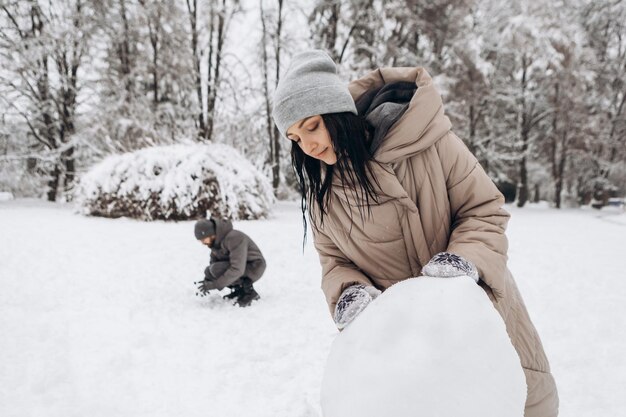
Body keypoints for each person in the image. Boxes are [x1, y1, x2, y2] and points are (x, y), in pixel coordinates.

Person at [272, 50, 558, 417]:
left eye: (312, 126)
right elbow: (334, 260)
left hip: (478, 314)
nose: (308, 146)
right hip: (405, 348)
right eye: (295, 138)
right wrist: (349, 292)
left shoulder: (428, 140)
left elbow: (484, 208)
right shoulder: (323, 195)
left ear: (337, 112)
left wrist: (462, 264)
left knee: (515, 401)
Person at [194, 218, 266, 307]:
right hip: (242, 267)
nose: (202, 243)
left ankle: (249, 292)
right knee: (210, 270)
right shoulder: (216, 243)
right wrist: (206, 281)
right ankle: (239, 290)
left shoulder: (234, 238)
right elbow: (212, 265)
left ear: (211, 234)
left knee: (216, 269)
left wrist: (214, 285)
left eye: (203, 239)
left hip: (254, 267)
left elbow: (237, 269)